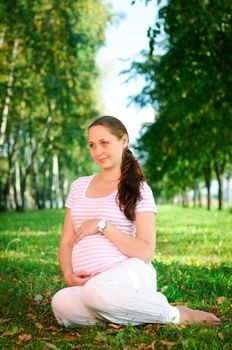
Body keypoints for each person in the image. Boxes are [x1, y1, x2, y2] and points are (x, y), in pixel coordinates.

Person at [51, 115, 220, 327]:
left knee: (96, 292)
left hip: (129, 276)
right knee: (61, 303)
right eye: (92, 145)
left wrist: (102, 225)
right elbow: (67, 241)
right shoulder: (78, 187)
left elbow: (145, 251)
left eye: (105, 143)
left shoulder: (139, 189)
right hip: (90, 287)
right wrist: (68, 275)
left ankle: (177, 314)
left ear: (123, 141)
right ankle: (120, 311)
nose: (98, 152)